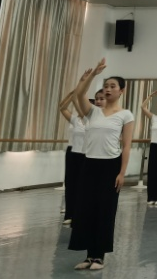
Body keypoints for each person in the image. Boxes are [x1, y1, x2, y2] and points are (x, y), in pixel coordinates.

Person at [69, 59, 134, 271]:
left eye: (112, 86)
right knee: (86, 208)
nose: (108, 89)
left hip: (110, 166)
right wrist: (92, 75)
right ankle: (89, 255)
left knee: (105, 210)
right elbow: (79, 94)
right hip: (89, 164)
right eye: (106, 86)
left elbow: (126, 145)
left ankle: (99, 256)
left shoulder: (125, 115)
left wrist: (122, 172)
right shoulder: (93, 112)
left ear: (121, 91)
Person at [59, 88, 87, 224]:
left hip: (86, 154)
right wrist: (72, 94)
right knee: (70, 184)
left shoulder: (92, 120)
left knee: (83, 185)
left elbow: (81, 111)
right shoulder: (75, 120)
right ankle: (69, 214)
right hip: (73, 152)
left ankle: (81, 213)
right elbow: (62, 107)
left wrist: (76, 98)